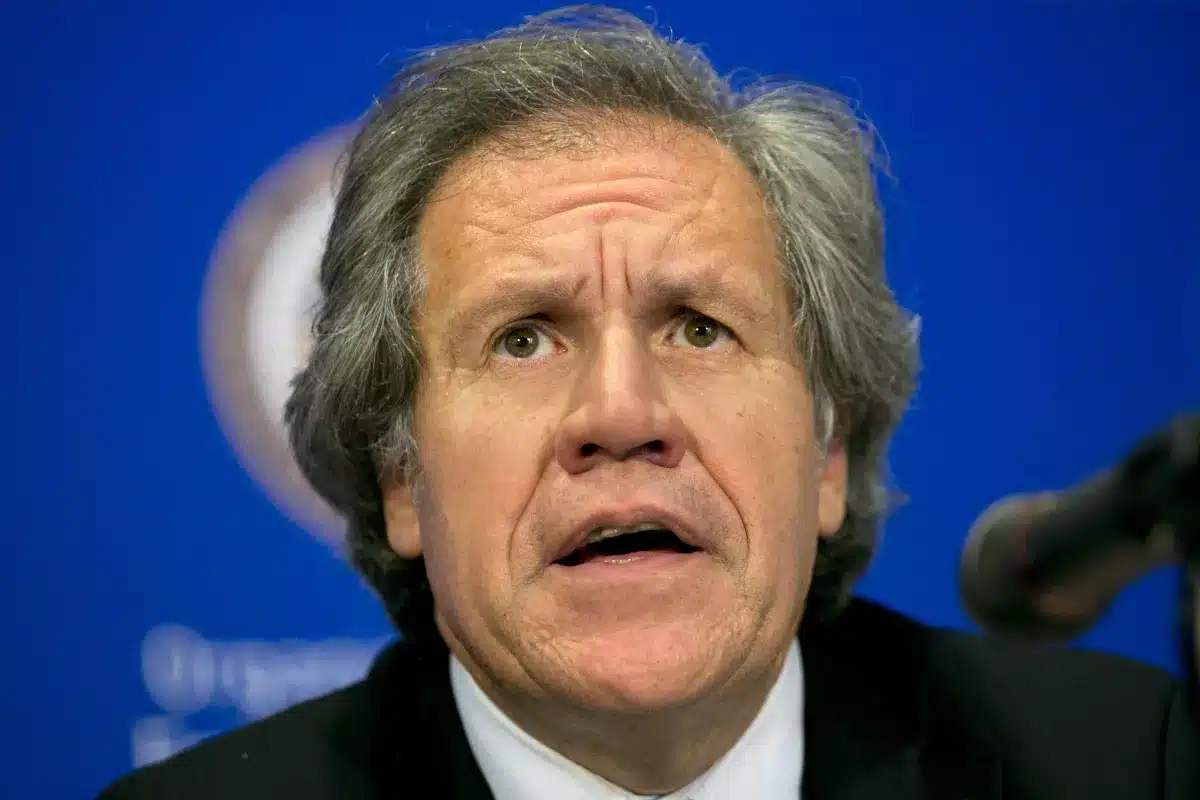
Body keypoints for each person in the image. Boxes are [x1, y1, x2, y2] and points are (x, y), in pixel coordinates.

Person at [99, 6, 1197, 799]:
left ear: (827, 449)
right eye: (523, 338)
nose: (622, 411)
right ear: (401, 476)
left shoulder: (1117, 762)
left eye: (699, 327)